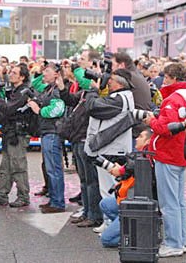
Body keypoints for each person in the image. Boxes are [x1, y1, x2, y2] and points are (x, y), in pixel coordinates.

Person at [143, 62, 186, 258]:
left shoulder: (173, 99)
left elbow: (165, 128)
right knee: (178, 201)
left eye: (166, 77)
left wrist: (151, 121)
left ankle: (173, 242)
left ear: (172, 78)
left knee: (169, 203)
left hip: (168, 153)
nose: (163, 80)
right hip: (180, 153)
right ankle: (179, 240)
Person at [84, 68, 135, 233]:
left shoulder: (119, 99)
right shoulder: (123, 97)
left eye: (111, 79)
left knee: (110, 189)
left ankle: (112, 225)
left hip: (112, 149)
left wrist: (93, 90)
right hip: (113, 147)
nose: (108, 82)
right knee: (109, 188)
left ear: (120, 82)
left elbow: (93, 107)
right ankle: (109, 223)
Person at [55, 72, 103, 227]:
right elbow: (70, 99)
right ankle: (87, 211)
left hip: (85, 140)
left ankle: (94, 215)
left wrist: (96, 89)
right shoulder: (84, 94)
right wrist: (62, 87)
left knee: (91, 181)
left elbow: (91, 110)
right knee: (83, 181)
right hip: (76, 140)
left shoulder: (95, 95)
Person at [0, 64, 31, 207]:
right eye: (10, 72)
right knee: (5, 166)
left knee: (18, 165)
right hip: (9, 131)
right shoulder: (13, 90)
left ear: (22, 77)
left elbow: (7, 109)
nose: (11, 74)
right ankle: (2, 195)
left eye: (14, 73)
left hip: (19, 133)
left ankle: (23, 196)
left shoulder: (24, 92)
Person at [100, 128, 153, 247]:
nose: (137, 139)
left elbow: (128, 170)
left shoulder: (147, 157)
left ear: (148, 141)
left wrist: (120, 170)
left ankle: (138, 237)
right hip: (128, 200)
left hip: (136, 205)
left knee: (106, 240)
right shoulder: (136, 156)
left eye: (140, 137)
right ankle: (130, 229)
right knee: (105, 204)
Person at [28, 63, 66, 213]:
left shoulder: (56, 91)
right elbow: (34, 84)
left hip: (52, 132)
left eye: (47, 71)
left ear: (56, 74)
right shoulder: (49, 88)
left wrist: (39, 110)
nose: (44, 74)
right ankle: (54, 199)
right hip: (47, 131)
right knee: (50, 169)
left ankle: (58, 203)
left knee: (54, 169)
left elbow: (57, 110)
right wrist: (38, 72)